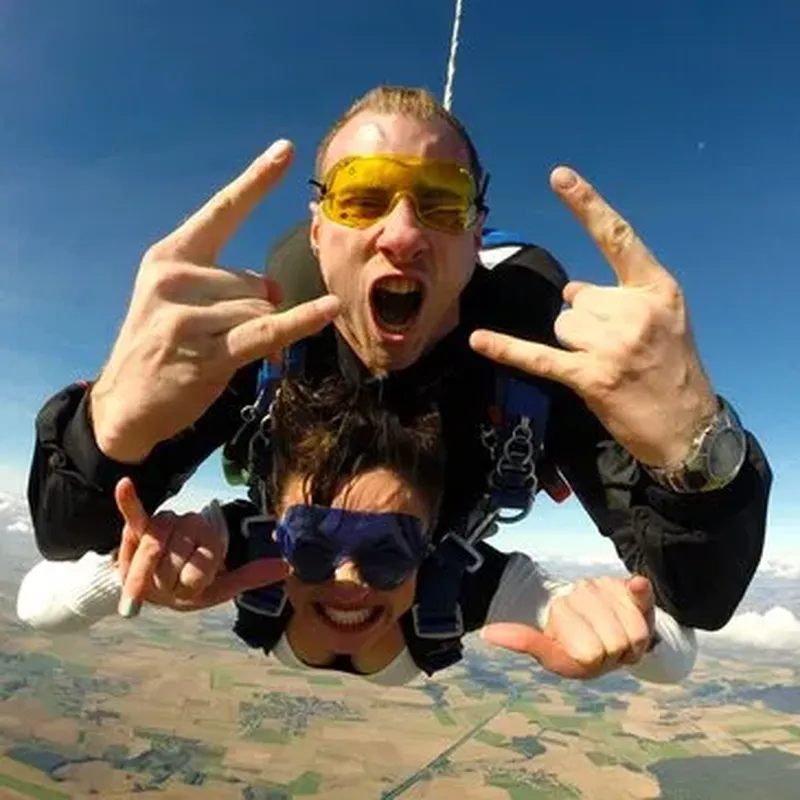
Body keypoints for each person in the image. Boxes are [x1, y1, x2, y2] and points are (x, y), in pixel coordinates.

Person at [27, 85, 772, 633]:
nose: (404, 233)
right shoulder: (267, 335)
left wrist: (698, 449)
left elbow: (698, 598)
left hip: (429, 567)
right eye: (363, 197)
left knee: (666, 646)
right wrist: (108, 427)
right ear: (318, 233)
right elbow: (68, 535)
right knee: (55, 597)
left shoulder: (531, 349)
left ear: (477, 240)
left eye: (442, 204)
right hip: (292, 550)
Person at [18, 370, 697, 686]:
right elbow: (36, 606)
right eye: (311, 541)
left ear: (429, 538)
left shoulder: (458, 581)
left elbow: (677, 654)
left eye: (387, 548)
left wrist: (621, 627)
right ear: (275, 524)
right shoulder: (236, 547)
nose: (347, 579)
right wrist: (137, 566)